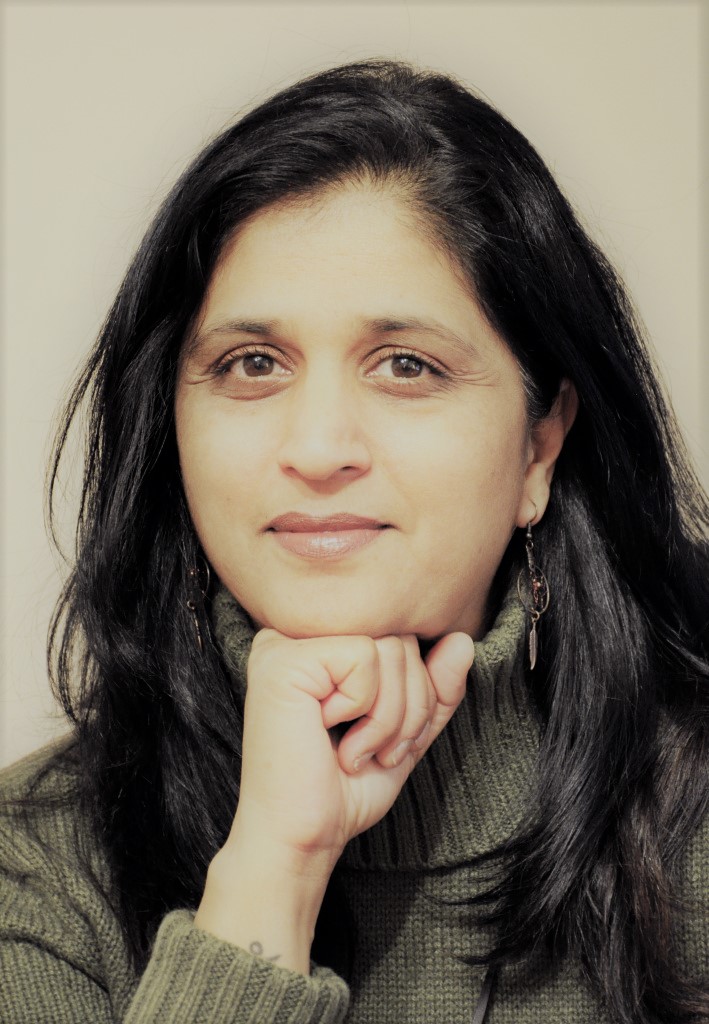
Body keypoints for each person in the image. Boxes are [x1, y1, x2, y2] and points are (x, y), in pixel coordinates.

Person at [1, 57, 707, 1024]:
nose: (318, 447)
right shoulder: (33, 873)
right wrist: (272, 873)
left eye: (405, 365)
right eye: (253, 363)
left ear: (539, 444)